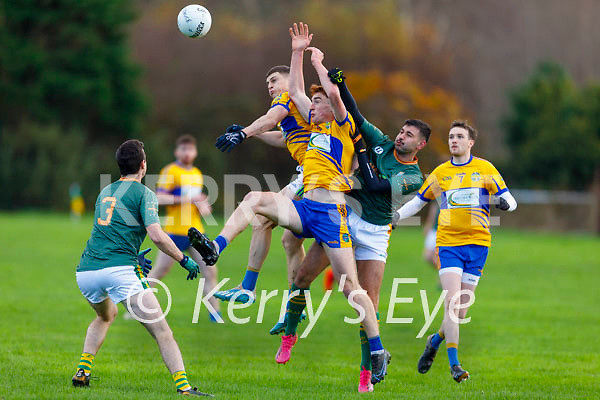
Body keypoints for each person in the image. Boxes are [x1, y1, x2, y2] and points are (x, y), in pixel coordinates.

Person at [188, 22, 390, 385]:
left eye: (316, 102)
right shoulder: (311, 130)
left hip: (332, 215)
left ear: (330, 106)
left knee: (350, 288)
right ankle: (216, 248)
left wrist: (318, 63)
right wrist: (296, 51)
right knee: (254, 200)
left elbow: (334, 93)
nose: (308, 105)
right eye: (309, 103)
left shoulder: (343, 126)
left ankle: (376, 350)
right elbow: (293, 90)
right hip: (305, 210)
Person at [288, 67, 430, 392]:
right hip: (345, 218)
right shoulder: (381, 141)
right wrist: (341, 83)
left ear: (420, 145)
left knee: (366, 303)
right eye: (402, 131)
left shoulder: (414, 178)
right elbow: (355, 113)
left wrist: (362, 154)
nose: (401, 136)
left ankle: (368, 373)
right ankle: (289, 329)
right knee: (303, 276)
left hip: (376, 233)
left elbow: (376, 185)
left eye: (409, 135)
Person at [72, 139, 210, 396]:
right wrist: (183, 259)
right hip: (120, 272)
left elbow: (108, 233)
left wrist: (133, 254)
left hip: (87, 271)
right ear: (143, 165)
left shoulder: (106, 191)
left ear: (120, 165)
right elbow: (157, 236)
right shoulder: (144, 194)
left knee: (105, 315)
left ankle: (83, 371)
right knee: (162, 331)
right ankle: (185, 388)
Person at [395, 120, 517, 383]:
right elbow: (418, 202)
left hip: (479, 246)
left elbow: (510, 199)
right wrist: (395, 216)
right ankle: (455, 365)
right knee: (451, 304)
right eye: (451, 136)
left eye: (460, 136)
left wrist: (505, 203)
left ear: (470, 143)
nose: (454, 140)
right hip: (449, 244)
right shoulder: (440, 173)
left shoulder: (485, 169)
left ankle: (435, 341)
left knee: (460, 312)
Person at [211, 63, 309, 306]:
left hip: (314, 177)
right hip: (306, 176)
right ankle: (254, 290)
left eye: (274, 80)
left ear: (290, 80)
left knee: (254, 202)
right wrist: (250, 133)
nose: (270, 87)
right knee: (274, 229)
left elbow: (269, 119)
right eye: (267, 84)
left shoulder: (289, 97)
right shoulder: (299, 111)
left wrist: (244, 133)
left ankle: (216, 246)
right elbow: (282, 138)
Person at [148, 134, 221, 322]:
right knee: (159, 272)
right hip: (173, 232)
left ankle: (216, 315)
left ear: (195, 152)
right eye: (183, 149)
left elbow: (196, 201)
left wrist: (203, 205)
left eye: (190, 149)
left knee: (210, 271)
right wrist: (187, 199)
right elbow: (159, 197)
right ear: (177, 151)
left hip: (196, 232)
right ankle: (136, 306)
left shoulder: (196, 173)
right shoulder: (170, 171)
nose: (187, 153)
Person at [422, 202, 440, 270]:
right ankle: (444, 273)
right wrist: (428, 224)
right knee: (427, 256)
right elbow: (433, 209)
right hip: (434, 229)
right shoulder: (438, 194)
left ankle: (446, 275)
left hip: (445, 231)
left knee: (438, 257)